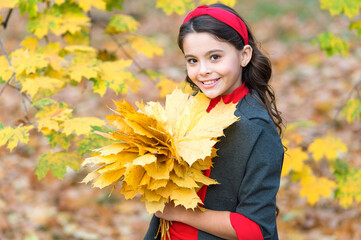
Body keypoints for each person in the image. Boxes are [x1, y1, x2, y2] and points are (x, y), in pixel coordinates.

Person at [144, 3, 284, 240]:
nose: (203, 70)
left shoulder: (256, 129)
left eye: (215, 57)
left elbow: (257, 230)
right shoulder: (189, 110)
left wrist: (182, 213)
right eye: (192, 60)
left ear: (244, 55)